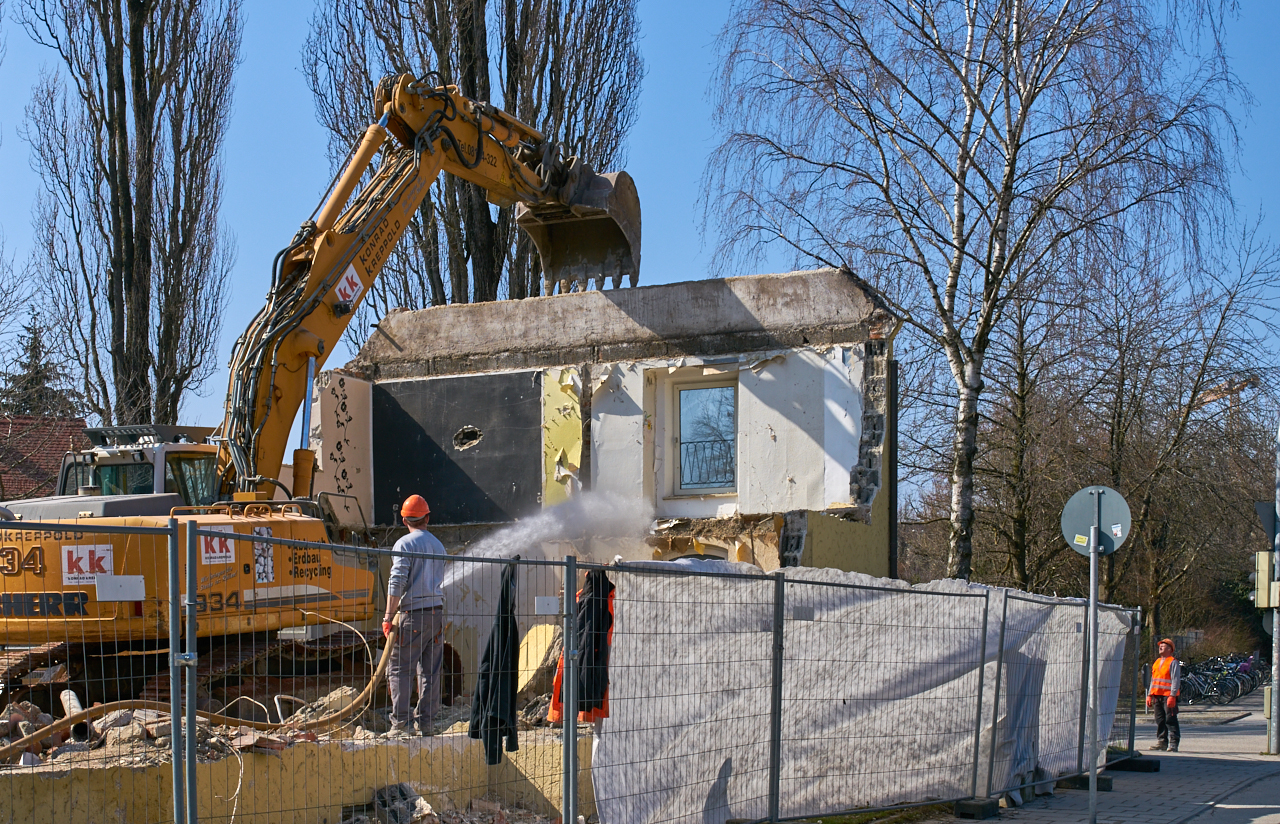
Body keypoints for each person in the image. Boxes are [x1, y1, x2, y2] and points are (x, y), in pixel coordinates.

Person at [383, 494, 448, 735]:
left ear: (404, 521)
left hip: (413, 614)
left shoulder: (405, 544)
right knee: (430, 671)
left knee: (400, 668)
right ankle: (427, 724)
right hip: (436, 615)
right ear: (427, 518)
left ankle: (401, 725)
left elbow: (396, 581)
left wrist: (388, 617)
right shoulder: (438, 545)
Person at [1146, 637, 1181, 752]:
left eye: (1164, 645)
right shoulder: (1156, 662)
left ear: (1170, 649)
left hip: (1168, 696)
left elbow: (1175, 680)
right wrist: (1149, 695)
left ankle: (1173, 743)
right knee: (1160, 720)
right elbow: (1153, 679)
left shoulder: (1173, 662)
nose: (1160, 647)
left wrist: (1172, 695)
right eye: (1160, 645)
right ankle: (1162, 742)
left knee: (1170, 719)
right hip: (1157, 696)